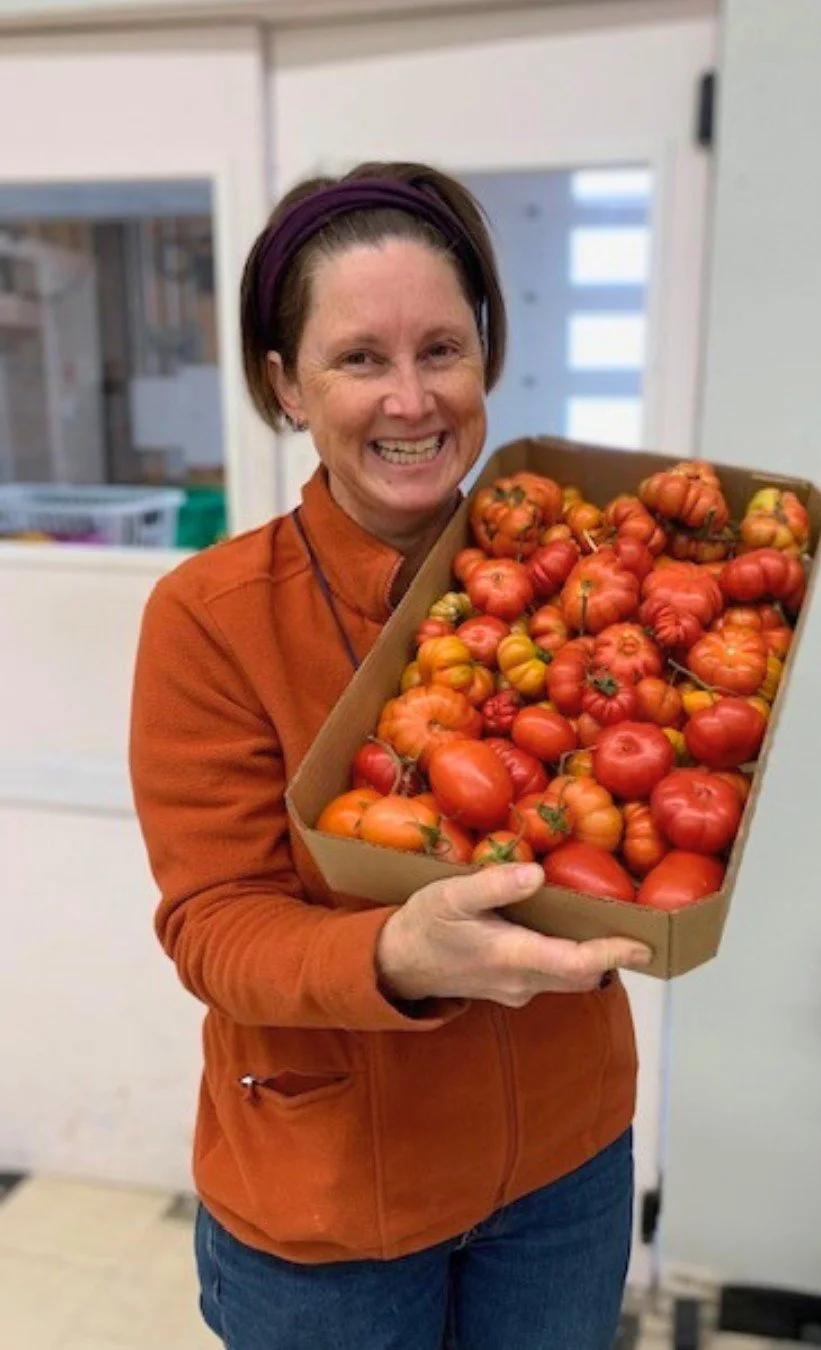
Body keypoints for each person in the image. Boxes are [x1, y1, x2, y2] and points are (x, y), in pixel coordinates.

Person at [128, 160, 654, 1350]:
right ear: (287, 386)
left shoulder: (586, 568)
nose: (412, 400)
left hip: (564, 1168)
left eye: (442, 351)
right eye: (360, 358)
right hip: (332, 1207)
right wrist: (396, 954)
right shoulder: (212, 614)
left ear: (486, 360)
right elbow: (213, 923)